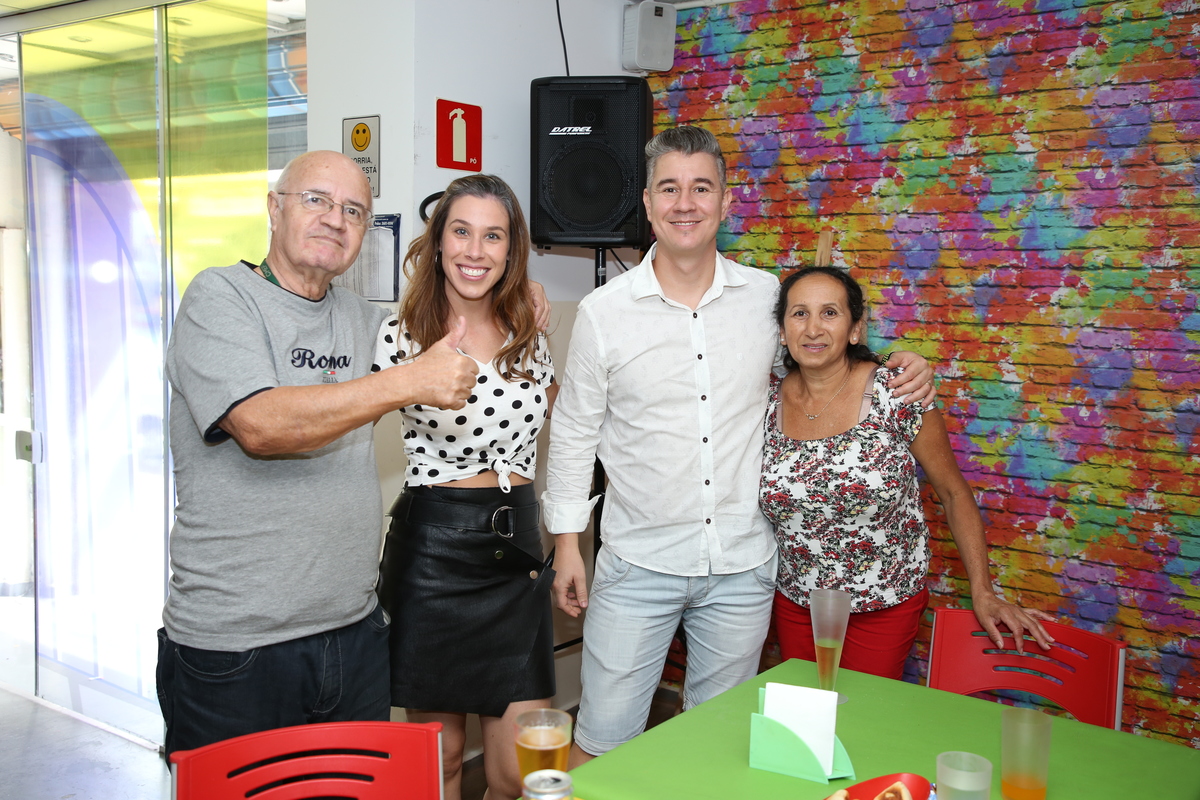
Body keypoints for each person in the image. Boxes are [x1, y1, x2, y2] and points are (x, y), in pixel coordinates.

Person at [543, 126, 936, 765]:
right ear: (647, 203)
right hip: (638, 562)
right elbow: (574, 432)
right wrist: (567, 544)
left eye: (701, 188)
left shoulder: (765, 299)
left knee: (719, 747)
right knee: (603, 743)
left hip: (743, 569)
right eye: (669, 188)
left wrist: (902, 364)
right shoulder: (602, 313)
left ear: (726, 202)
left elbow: (821, 366)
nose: (685, 203)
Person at [156, 151, 487, 757]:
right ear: (274, 208)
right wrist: (408, 381)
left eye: (354, 211)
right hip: (237, 647)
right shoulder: (220, 297)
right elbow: (260, 425)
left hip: (353, 636)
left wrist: (526, 290)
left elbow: (462, 303)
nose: (335, 219)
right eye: (316, 200)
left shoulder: (364, 320)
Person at [760, 266, 1055, 680]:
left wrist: (983, 591)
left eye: (830, 313)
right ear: (782, 330)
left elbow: (953, 493)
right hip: (797, 603)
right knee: (806, 710)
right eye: (799, 313)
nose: (813, 328)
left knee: (865, 713)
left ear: (855, 328)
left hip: (885, 604)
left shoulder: (897, 392)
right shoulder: (765, 400)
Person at [371, 174, 557, 800]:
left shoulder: (528, 329)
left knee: (517, 774)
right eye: (461, 231)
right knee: (442, 760)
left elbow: (552, 413)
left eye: (493, 236)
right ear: (439, 241)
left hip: (517, 555)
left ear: (511, 249)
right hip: (434, 555)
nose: (475, 251)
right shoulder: (400, 334)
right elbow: (350, 422)